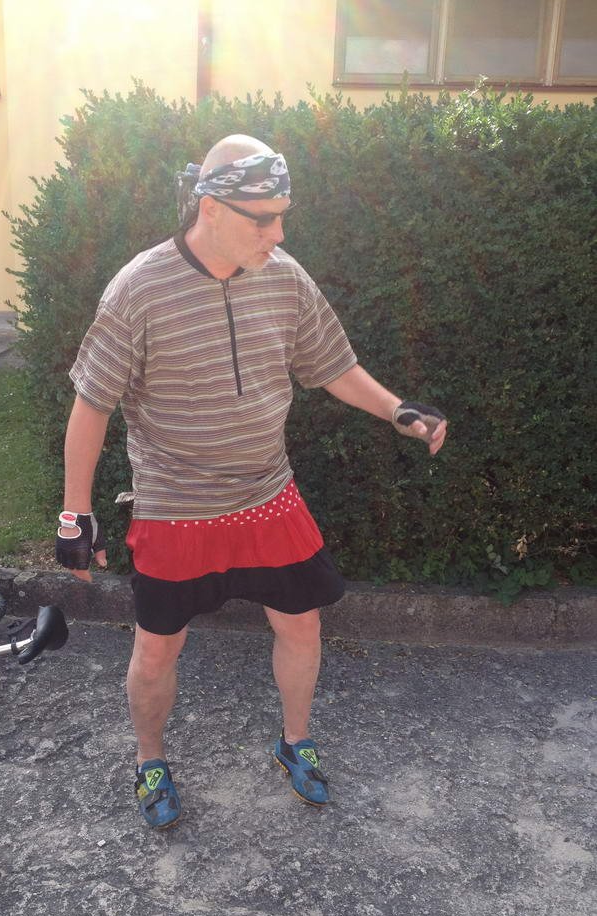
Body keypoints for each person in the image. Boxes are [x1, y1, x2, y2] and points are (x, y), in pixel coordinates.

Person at [56, 134, 447, 830]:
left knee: (302, 623)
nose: (279, 233)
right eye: (263, 219)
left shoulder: (284, 276)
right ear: (210, 207)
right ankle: (150, 760)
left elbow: (331, 364)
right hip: (176, 506)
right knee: (156, 647)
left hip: (268, 494)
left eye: (282, 216)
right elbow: (92, 404)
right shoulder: (138, 289)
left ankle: (295, 742)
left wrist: (397, 409)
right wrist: (74, 514)